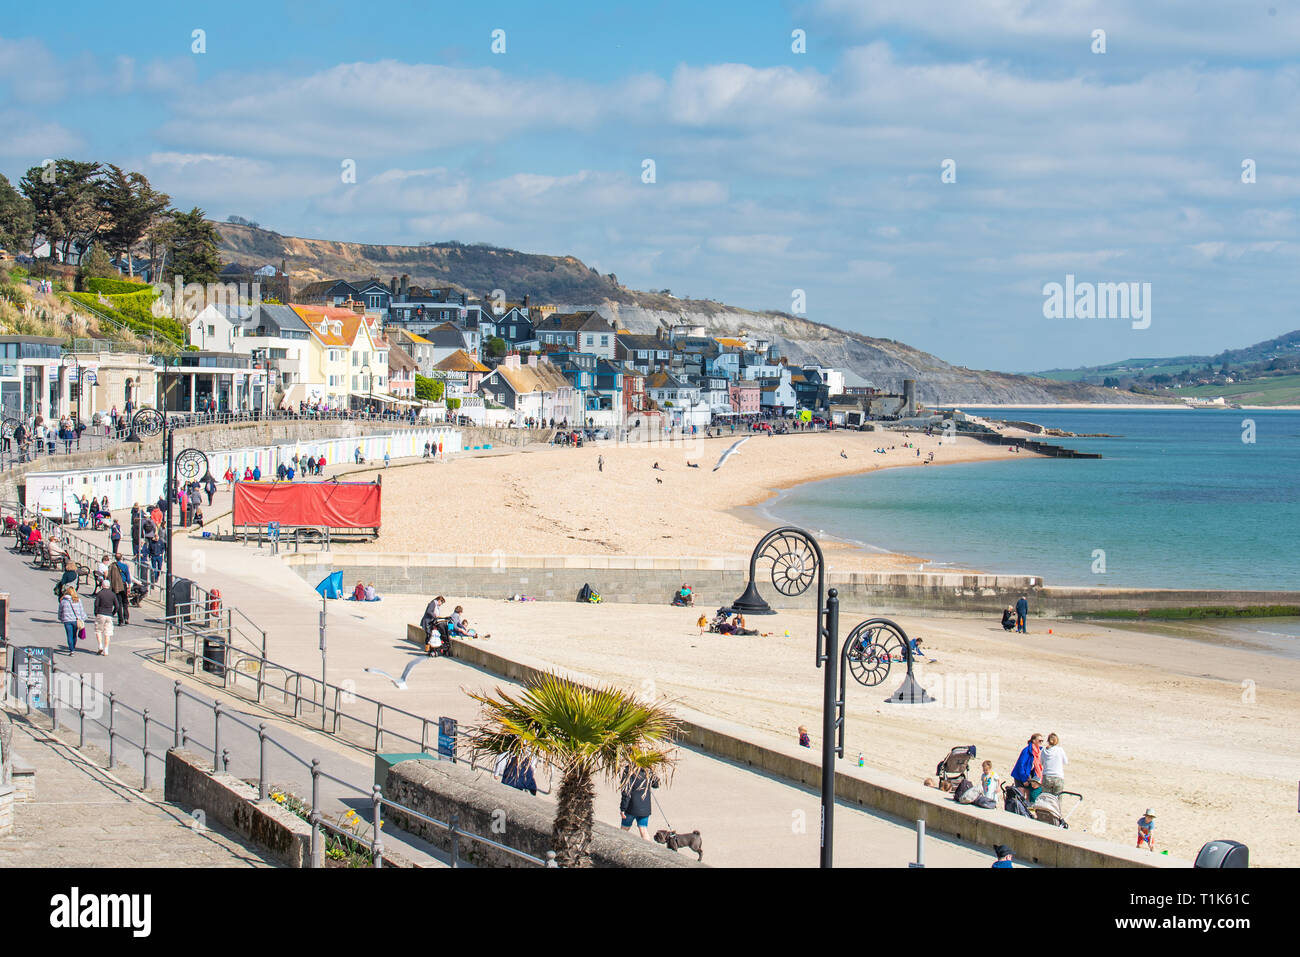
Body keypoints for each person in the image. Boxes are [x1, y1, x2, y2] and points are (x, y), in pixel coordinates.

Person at [619, 765, 659, 840]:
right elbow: (656, 784)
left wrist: (623, 808)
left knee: (624, 830)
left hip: (630, 808)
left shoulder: (629, 770)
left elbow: (626, 792)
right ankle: (649, 850)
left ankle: (619, 848)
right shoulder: (647, 770)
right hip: (644, 808)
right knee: (644, 830)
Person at [1011, 733, 1044, 803]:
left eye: (1042, 741)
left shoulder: (1039, 751)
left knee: (1029, 795)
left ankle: (1026, 812)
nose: (1041, 742)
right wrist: (1024, 780)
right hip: (1020, 776)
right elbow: (1021, 765)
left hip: (1029, 776)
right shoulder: (1026, 751)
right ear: (1034, 741)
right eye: (1039, 740)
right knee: (1021, 796)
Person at [58, 586, 87, 655]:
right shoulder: (77, 600)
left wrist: (60, 618)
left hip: (67, 620)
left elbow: (60, 611)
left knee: (69, 635)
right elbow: (81, 610)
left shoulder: (63, 601)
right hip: (76, 620)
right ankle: (73, 646)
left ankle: (71, 650)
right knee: (74, 635)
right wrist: (83, 618)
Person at [93, 581, 117, 655]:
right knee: (108, 632)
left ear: (102, 586)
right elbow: (117, 606)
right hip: (109, 614)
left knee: (98, 630)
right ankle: (106, 649)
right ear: (109, 586)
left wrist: (96, 612)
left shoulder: (100, 594)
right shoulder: (112, 594)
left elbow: (96, 604)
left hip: (100, 613)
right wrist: (113, 613)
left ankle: (100, 645)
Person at [110, 556, 130, 626]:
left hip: (116, 586)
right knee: (125, 603)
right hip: (123, 585)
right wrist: (129, 586)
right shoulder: (124, 566)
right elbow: (128, 576)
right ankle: (126, 618)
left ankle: (120, 620)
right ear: (121, 558)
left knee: (119, 603)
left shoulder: (113, 566)